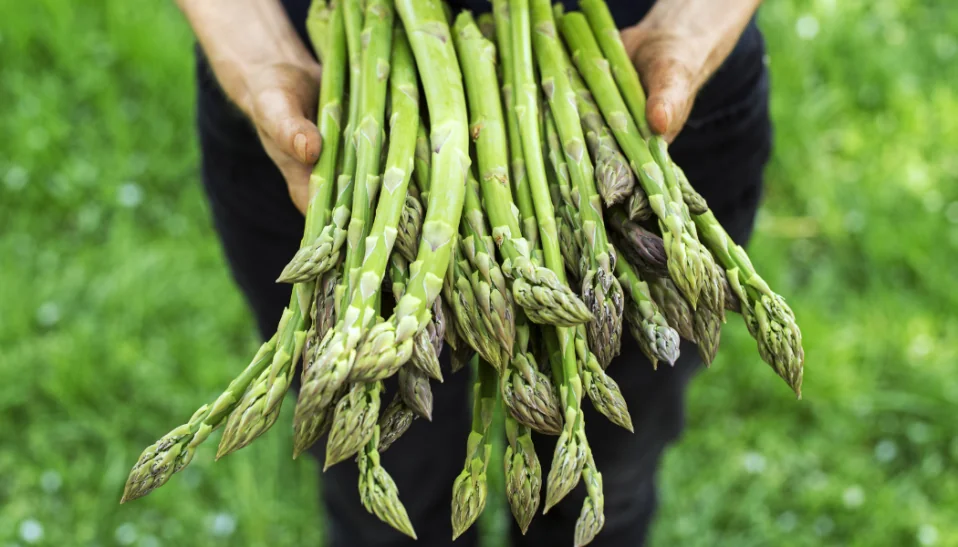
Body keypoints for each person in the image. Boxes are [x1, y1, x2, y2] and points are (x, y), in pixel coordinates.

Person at [180, 0, 770, 545]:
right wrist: (252, 41)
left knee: (608, 486)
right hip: (329, 97)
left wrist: (695, 20)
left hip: (628, 89)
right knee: (385, 502)